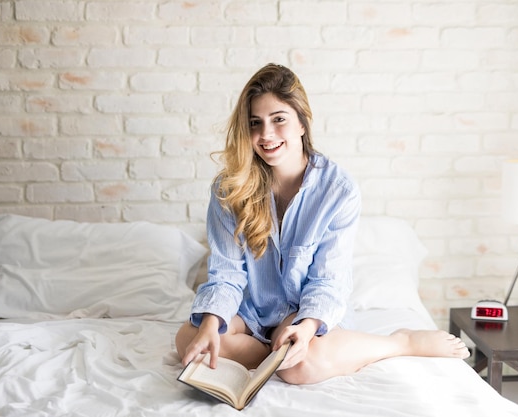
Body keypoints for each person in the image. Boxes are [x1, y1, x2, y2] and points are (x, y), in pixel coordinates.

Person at [175, 63, 469, 385]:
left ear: (302, 122)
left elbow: (327, 281)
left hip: (303, 311)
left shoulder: (338, 191)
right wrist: (211, 324)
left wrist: (306, 328)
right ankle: (276, 353)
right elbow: (226, 273)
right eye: (255, 123)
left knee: (300, 368)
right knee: (188, 340)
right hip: (248, 312)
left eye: (279, 120)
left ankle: (399, 342)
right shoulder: (228, 189)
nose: (266, 135)